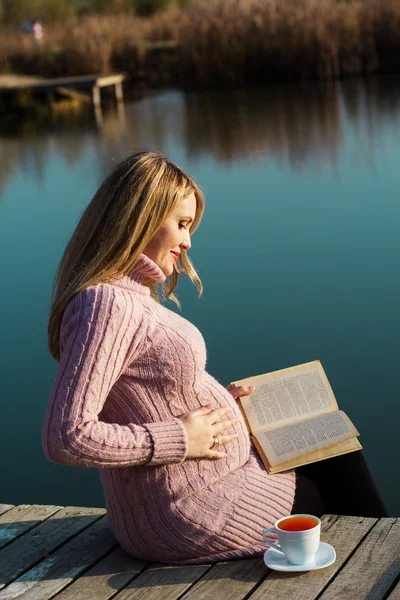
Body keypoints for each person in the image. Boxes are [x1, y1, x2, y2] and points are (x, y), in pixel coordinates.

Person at [42, 150, 388, 565]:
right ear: (141, 217)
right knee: (335, 466)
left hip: (207, 485)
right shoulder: (107, 304)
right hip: (190, 511)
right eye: (182, 224)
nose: (188, 241)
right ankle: (384, 567)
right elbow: (67, 436)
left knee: (331, 438)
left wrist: (221, 405)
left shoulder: (128, 296)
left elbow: (148, 394)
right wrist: (180, 437)